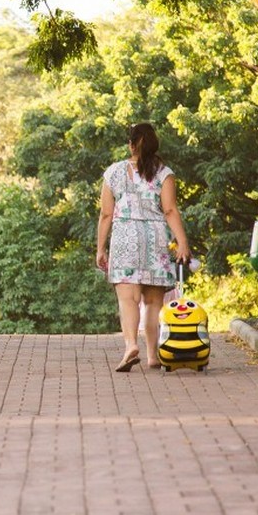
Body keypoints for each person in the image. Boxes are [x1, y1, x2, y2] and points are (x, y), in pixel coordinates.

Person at [95, 123, 191, 372]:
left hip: (125, 237)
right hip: (154, 237)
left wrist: (101, 248)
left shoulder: (114, 172)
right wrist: (182, 242)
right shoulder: (164, 173)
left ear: (131, 144)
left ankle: (130, 346)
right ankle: (152, 355)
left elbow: (106, 214)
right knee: (152, 302)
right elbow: (170, 210)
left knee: (128, 299)